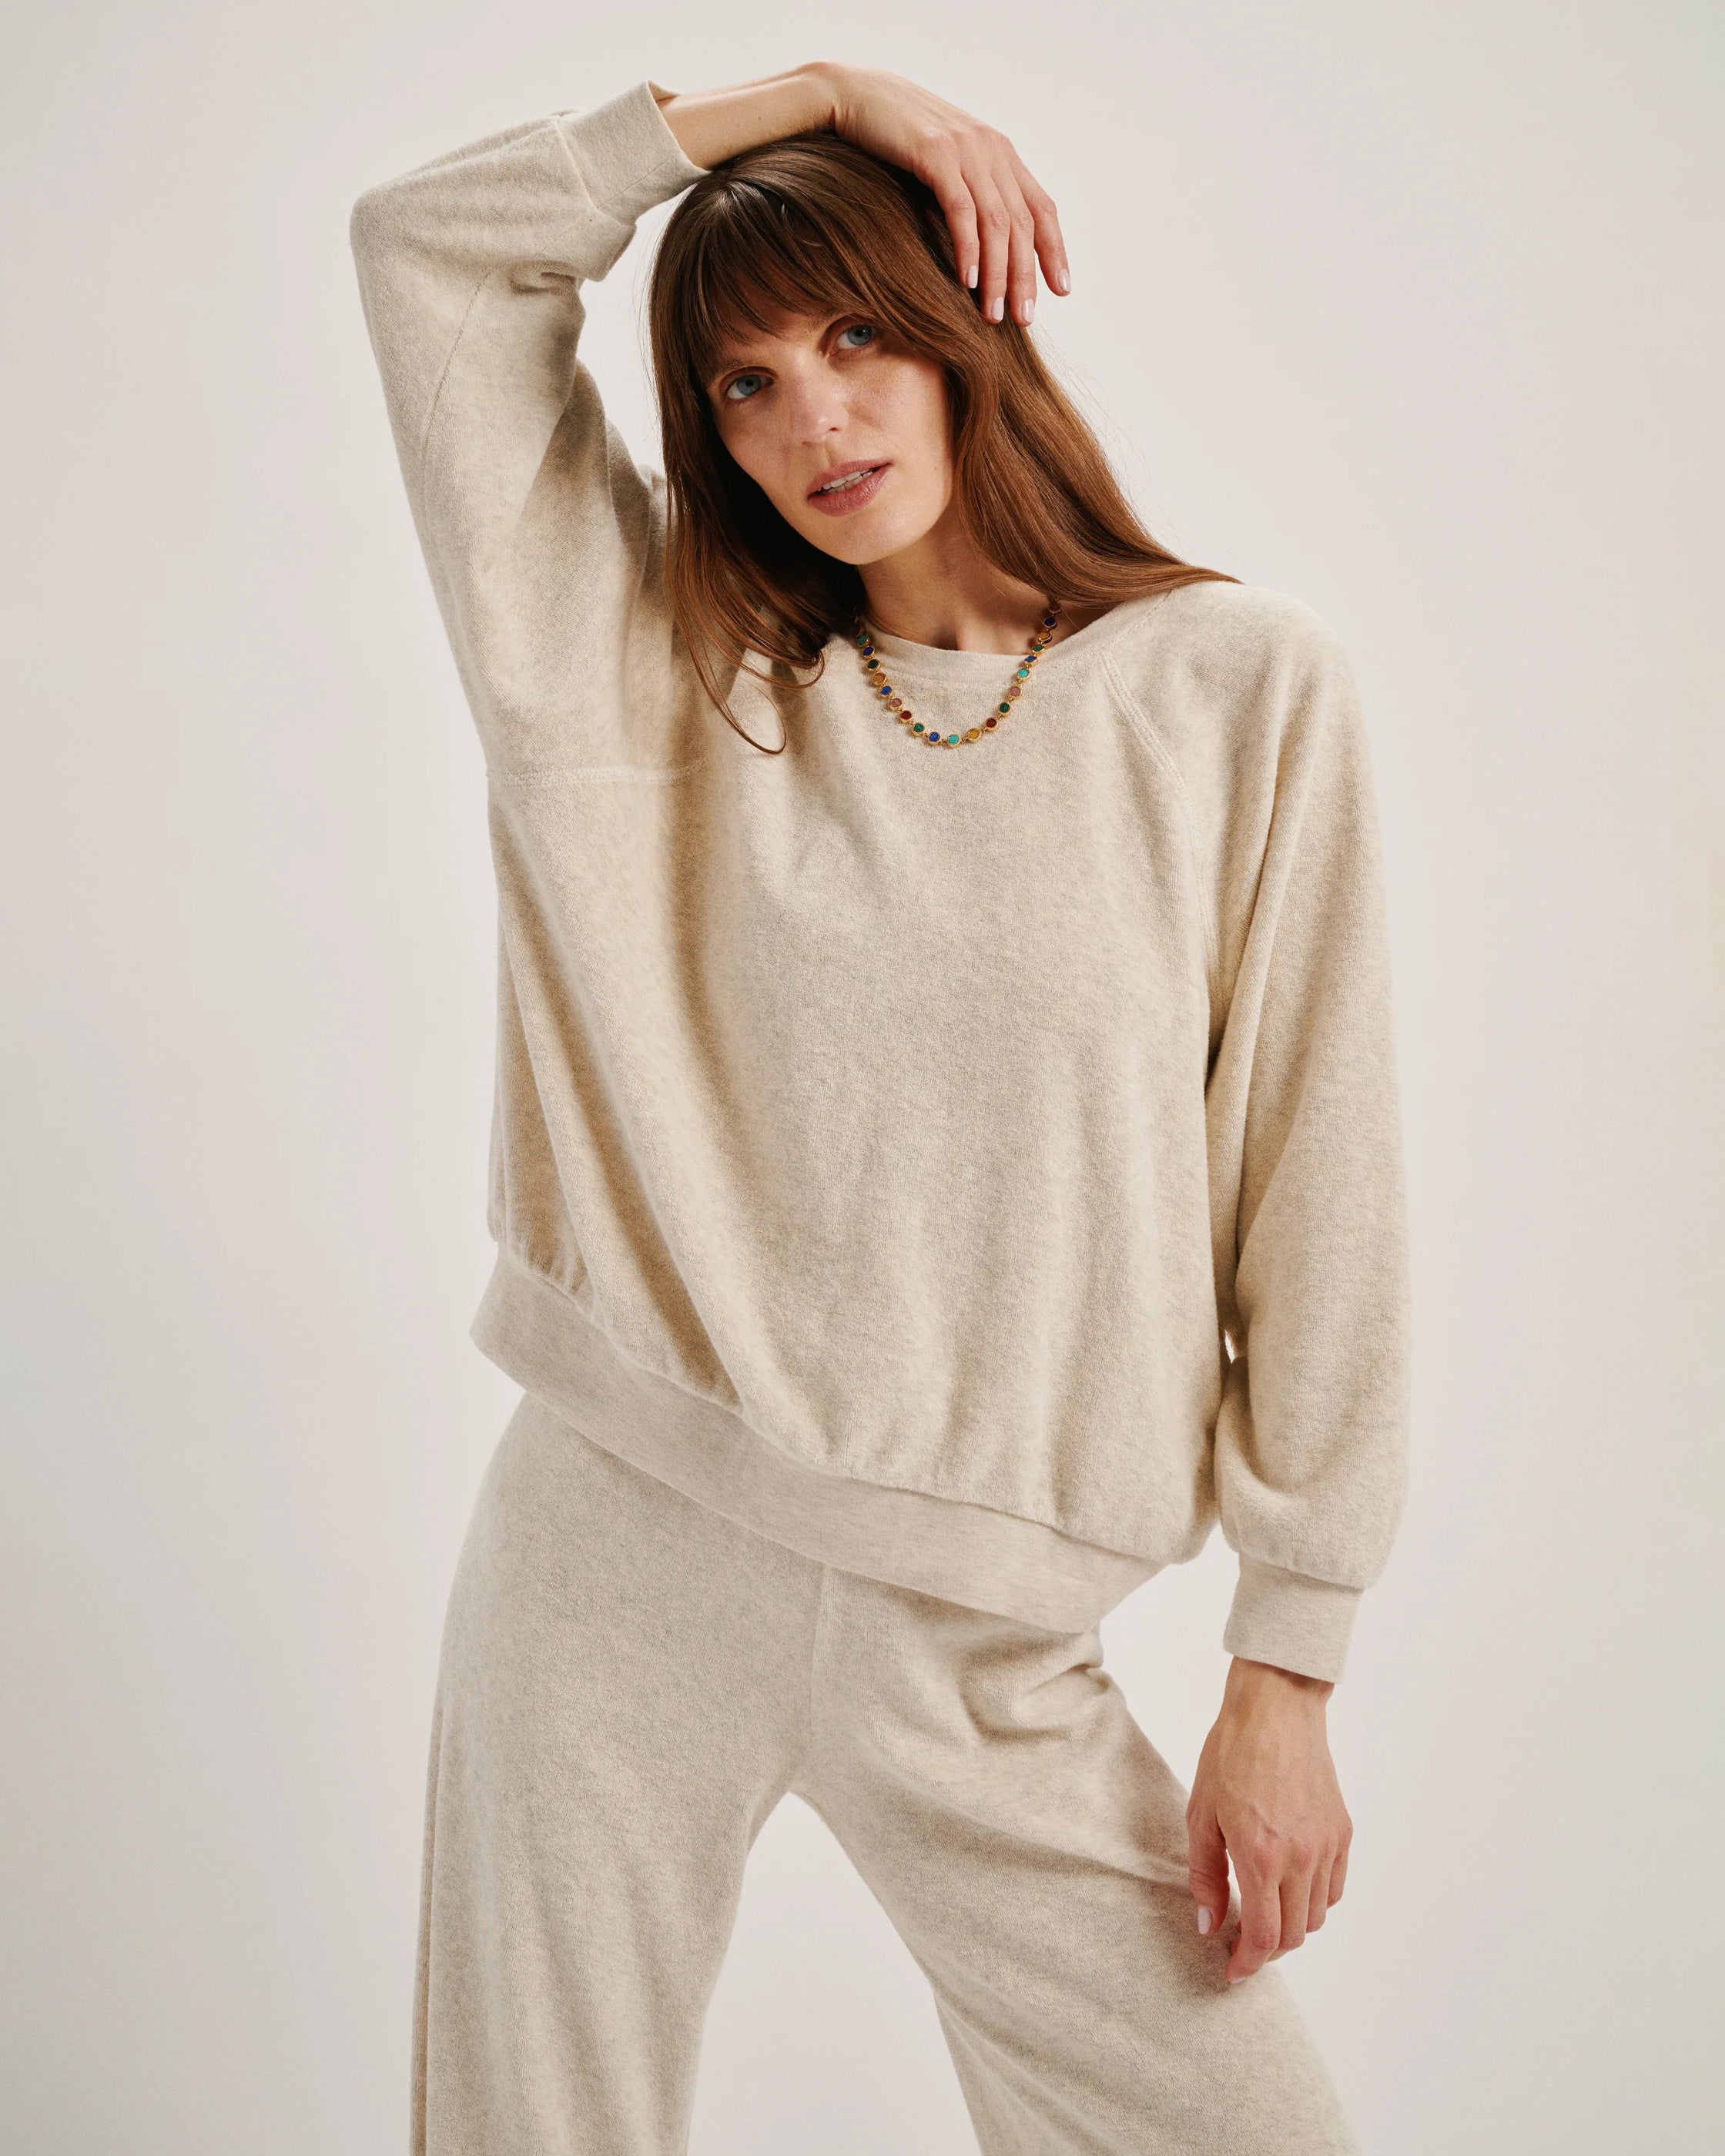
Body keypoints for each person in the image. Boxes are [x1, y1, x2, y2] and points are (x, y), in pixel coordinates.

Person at [349, 58, 1412, 2155]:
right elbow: (428, 256)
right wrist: (815, 97)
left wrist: (1287, 1670)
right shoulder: (653, 673)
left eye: (855, 336)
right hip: (619, 1539)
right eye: (742, 383)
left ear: (964, 324)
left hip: (987, 1629)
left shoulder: (1235, 690)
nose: (814, 419)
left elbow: (1325, 1186)